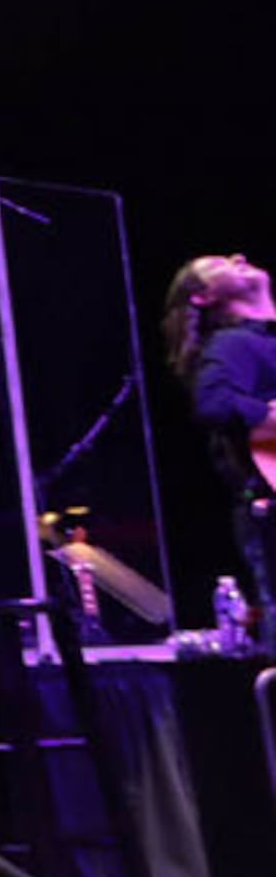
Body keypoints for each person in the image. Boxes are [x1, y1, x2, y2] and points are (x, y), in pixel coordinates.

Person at [164, 252, 276, 617]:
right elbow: (214, 403)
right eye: (218, 265)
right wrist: (265, 413)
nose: (238, 257)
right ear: (204, 296)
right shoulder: (234, 343)